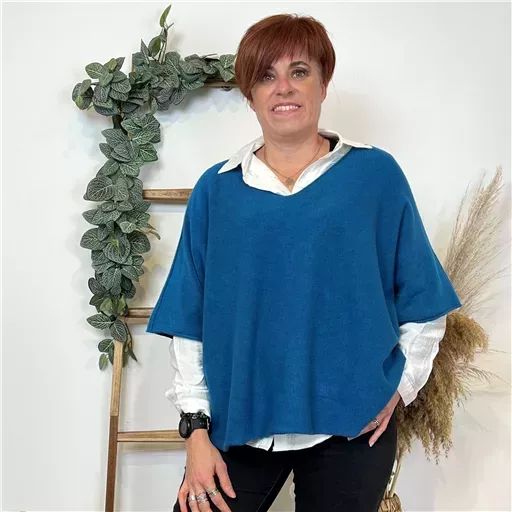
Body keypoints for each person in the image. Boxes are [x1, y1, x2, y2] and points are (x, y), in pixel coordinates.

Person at [146, 13, 462, 512]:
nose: (283, 88)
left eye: (299, 71)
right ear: (250, 95)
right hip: (237, 423)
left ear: (323, 84)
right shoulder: (217, 190)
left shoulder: (375, 176)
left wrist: (400, 387)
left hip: (353, 427)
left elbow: (423, 299)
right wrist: (196, 430)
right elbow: (190, 321)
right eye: (266, 76)